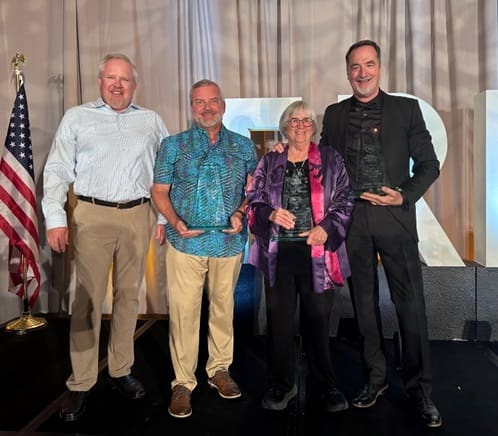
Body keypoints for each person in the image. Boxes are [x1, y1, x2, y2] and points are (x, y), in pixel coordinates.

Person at [320, 40, 442, 428]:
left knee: (411, 307)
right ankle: (375, 380)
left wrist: (404, 195)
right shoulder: (334, 114)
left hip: (394, 218)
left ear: (379, 68)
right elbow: (322, 164)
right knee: (364, 306)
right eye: (355, 66)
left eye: (369, 64)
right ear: (347, 72)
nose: (363, 73)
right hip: (352, 221)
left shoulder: (407, 109)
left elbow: (429, 164)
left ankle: (420, 391)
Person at [42, 53, 169, 422]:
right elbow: (57, 168)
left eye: (124, 79)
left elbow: (165, 171)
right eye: (111, 78)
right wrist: (55, 218)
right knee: (86, 300)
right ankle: (81, 382)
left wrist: (163, 217)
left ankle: (120, 369)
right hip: (91, 214)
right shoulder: (77, 117)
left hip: (138, 214)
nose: (117, 85)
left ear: (134, 85)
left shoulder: (151, 121)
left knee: (129, 296)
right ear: (100, 81)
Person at [151, 79, 258, 418]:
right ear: (191, 106)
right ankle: (183, 382)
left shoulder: (243, 146)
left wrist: (241, 212)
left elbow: (254, 190)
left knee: (223, 308)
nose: (207, 108)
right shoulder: (173, 145)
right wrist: (175, 222)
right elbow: (159, 191)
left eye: (213, 101)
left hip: (228, 242)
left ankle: (219, 369)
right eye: (200, 102)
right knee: (184, 312)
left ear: (223, 106)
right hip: (186, 243)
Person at [246, 100, 354, 412]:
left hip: (317, 253)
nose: (301, 125)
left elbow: (345, 200)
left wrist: (327, 228)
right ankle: (281, 384)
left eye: (307, 120)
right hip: (279, 254)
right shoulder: (271, 160)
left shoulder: (331, 159)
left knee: (318, 322)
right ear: (285, 126)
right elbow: (253, 200)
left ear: (314, 127)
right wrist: (269, 214)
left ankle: (325, 385)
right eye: (294, 120)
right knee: (279, 323)